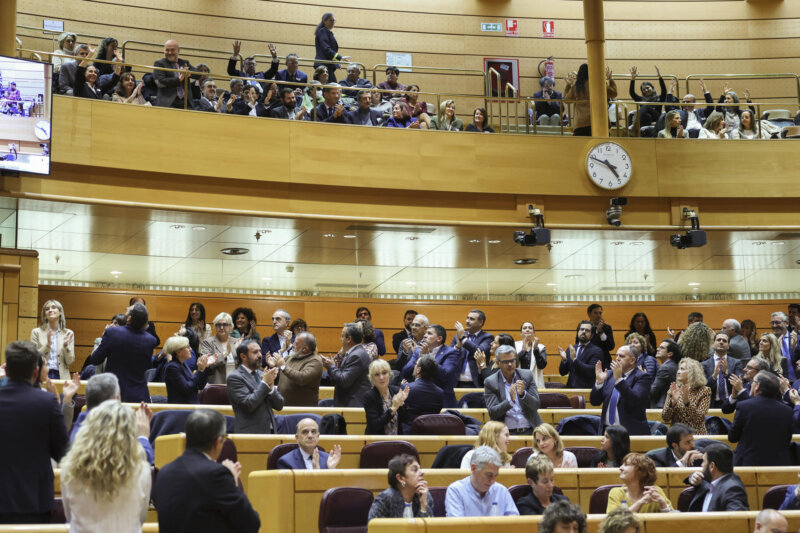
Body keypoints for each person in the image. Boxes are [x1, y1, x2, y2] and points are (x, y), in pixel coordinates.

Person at [154, 409, 260, 533]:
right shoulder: (216, 474)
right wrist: (233, 481)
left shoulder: (164, 473)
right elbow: (251, 523)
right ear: (218, 442)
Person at [0, 341, 68, 524]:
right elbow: (63, 452)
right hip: (35, 501)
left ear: (6, 371)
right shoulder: (47, 402)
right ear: (36, 372)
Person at [61, 400, 151, 533]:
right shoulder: (142, 470)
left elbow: (69, 515)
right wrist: (143, 438)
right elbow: (141, 517)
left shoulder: (70, 468)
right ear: (130, 433)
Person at [89, 303, 158, 402]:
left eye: (127, 310)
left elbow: (95, 359)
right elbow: (147, 366)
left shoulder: (112, 333)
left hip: (114, 394)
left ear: (129, 319)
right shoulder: (151, 340)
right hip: (139, 395)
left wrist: (103, 340)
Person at [729, 371, 792, 466]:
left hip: (748, 463)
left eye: (753, 382)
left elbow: (733, 437)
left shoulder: (744, 406)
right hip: (778, 465)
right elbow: (787, 439)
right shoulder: (787, 410)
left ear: (757, 386)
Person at [590, 345, 651, 435]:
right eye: (617, 355)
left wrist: (619, 380)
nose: (617, 358)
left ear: (632, 360)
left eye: (621, 356)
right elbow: (595, 402)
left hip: (630, 432)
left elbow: (634, 401)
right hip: (607, 431)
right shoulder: (609, 374)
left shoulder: (642, 377)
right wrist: (599, 383)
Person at [227, 340, 283, 434]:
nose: (260, 355)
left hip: (271, 431)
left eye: (260, 351)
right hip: (249, 434)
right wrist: (265, 383)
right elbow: (249, 404)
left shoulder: (262, 374)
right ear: (243, 356)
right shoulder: (235, 378)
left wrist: (271, 388)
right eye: (255, 352)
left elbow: (279, 405)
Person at [484, 345, 541, 435]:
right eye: (506, 362)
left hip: (531, 430)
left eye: (512, 360)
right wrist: (510, 401)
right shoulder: (491, 382)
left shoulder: (526, 376)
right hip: (505, 433)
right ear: (498, 363)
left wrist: (523, 394)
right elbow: (493, 412)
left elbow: (536, 405)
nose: (510, 364)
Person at [445, 446, 518, 517]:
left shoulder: (502, 491)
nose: (492, 481)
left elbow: (514, 524)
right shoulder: (456, 491)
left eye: (495, 476)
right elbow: (457, 527)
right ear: (473, 468)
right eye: (489, 475)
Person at [401, 324, 462, 407]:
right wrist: (419, 358)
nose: (425, 336)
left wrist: (427, 357)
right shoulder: (418, 350)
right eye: (426, 333)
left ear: (439, 338)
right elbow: (405, 372)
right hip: (420, 398)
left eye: (429, 333)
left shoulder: (451, 352)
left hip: (442, 400)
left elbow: (446, 375)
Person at [685, 442, 749, 511]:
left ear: (712, 466)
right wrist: (692, 477)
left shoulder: (732, 489)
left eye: (703, 461)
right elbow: (695, 479)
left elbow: (737, 519)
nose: (702, 465)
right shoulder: (710, 480)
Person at [368, 454, 433, 520]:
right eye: (415, 470)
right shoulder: (385, 499)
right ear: (400, 478)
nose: (422, 473)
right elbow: (373, 529)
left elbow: (429, 529)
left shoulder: (425, 496)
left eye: (420, 469)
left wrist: (423, 506)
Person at [321, 322, 372, 407]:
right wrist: (333, 366)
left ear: (349, 339)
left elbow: (344, 381)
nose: (340, 339)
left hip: (352, 406)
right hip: (347, 403)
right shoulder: (354, 353)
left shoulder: (356, 356)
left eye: (342, 336)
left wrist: (331, 366)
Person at [607, 453, 672, 512]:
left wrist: (663, 503)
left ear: (640, 471)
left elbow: (673, 519)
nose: (620, 468)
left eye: (626, 465)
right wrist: (640, 503)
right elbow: (612, 521)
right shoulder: (616, 493)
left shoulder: (655, 491)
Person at [563, 63, 617, 136]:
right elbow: (614, 93)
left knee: (582, 146)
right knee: (599, 145)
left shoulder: (577, 86)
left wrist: (568, 85)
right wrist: (610, 79)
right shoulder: (599, 83)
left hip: (581, 123)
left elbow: (566, 100)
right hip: (599, 121)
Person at [661, 358, 711, 435]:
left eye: (682, 369)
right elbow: (665, 417)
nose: (678, 372)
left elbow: (699, 419)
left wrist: (687, 402)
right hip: (676, 434)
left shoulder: (704, 390)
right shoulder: (674, 389)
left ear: (692, 373)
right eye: (679, 369)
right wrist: (672, 403)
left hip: (696, 434)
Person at [274, 332, 323, 406]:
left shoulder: (315, 361)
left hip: (302, 411)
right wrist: (273, 369)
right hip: (282, 407)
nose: (292, 345)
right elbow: (280, 372)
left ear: (305, 349)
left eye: (296, 343)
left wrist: (283, 366)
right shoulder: (290, 357)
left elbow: (302, 379)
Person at [30, 299, 75, 380]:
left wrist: (65, 346)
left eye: (53, 307)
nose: (50, 310)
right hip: (41, 375)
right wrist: (47, 345)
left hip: (62, 376)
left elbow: (70, 361)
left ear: (60, 312)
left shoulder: (68, 333)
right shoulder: (36, 332)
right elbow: (33, 358)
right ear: (44, 315)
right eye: (47, 309)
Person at [363, 359, 409, 435]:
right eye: (377, 374)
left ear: (389, 374)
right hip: (377, 442)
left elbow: (406, 420)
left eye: (384, 373)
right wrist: (393, 408)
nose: (381, 377)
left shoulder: (396, 391)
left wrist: (402, 404)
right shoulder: (369, 396)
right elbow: (375, 425)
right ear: (372, 378)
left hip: (397, 440)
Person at [276, 418, 341, 470]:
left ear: (318, 437)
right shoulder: (285, 462)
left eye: (313, 432)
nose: (310, 436)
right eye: (305, 432)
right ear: (297, 437)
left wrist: (331, 470)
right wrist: (316, 473)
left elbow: (333, 485)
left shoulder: (327, 459)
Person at [163, 335, 213, 404]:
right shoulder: (172, 368)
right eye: (187, 347)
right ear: (178, 351)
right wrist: (200, 370)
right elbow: (187, 389)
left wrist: (204, 367)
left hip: (191, 406)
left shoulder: (183, 364)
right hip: (181, 409)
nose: (191, 349)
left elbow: (199, 386)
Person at [702, 332, 745, 408]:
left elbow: (740, 384)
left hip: (731, 403)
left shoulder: (736, 363)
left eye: (724, 341)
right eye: (718, 340)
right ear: (713, 344)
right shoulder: (703, 364)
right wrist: (714, 376)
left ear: (728, 346)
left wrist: (726, 373)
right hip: (711, 404)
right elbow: (703, 388)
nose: (721, 342)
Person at [402, 355, 444, 433]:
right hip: (432, 435)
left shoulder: (406, 388)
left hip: (409, 435)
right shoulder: (440, 393)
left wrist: (401, 387)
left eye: (416, 364)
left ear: (418, 370)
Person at [452, 309, 493, 388]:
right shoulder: (458, 335)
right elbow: (450, 354)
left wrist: (463, 339)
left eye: (472, 319)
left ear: (480, 322)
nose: (467, 321)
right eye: (467, 318)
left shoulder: (487, 337)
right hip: (457, 382)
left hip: (476, 383)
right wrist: (457, 347)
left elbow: (480, 351)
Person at [559, 321, 603, 388]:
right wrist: (564, 360)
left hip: (586, 391)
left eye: (587, 330)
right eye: (582, 329)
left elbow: (591, 371)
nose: (584, 332)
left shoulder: (597, 351)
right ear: (578, 332)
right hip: (570, 390)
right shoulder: (571, 349)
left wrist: (575, 359)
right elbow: (562, 372)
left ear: (592, 335)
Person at [153, 39, 194, 108]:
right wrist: (179, 79)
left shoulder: (185, 63)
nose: (169, 52)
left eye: (172, 50)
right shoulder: (159, 63)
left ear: (178, 50)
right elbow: (160, 82)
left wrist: (190, 73)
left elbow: (199, 74)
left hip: (186, 103)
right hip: (168, 103)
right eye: (167, 50)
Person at [202, 312, 240, 385]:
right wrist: (225, 354)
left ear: (230, 326)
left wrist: (240, 352)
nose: (221, 327)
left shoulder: (237, 342)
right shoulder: (208, 342)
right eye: (218, 325)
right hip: (217, 384)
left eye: (225, 325)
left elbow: (244, 365)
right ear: (215, 327)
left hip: (236, 384)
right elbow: (206, 363)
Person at [628, 65, 668, 132]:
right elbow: (632, 93)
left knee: (645, 106)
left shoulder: (659, 98)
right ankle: (637, 128)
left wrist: (660, 77)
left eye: (648, 88)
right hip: (646, 120)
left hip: (657, 118)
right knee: (647, 115)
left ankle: (635, 124)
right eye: (644, 89)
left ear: (652, 88)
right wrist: (633, 79)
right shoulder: (641, 99)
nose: (646, 90)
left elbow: (664, 91)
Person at [314, 13, 350, 83]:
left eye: (334, 21)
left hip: (327, 65)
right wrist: (340, 57)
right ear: (324, 21)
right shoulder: (323, 31)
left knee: (331, 87)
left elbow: (328, 52)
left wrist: (336, 63)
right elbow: (326, 49)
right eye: (331, 20)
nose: (333, 22)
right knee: (330, 87)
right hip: (323, 65)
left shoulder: (326, 32)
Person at [650, 339, 681, 408]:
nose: (657, 349)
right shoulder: (673, 365)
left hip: (661, 408)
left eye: (662, 348)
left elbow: (652, 392)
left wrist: (644, 379)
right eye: (659, 347)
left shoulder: (665, 368)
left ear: (670, 354)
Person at [516, 321, 546, 388]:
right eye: (524, 328)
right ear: (521, 333)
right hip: (518, 383)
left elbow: (542, 366)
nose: (527, 329)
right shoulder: (515, 346)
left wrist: (536, 349)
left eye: (530, 328)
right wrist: (523, 351)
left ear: (533, 333)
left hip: (535, 383)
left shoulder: (541, 347)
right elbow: (512, 363)